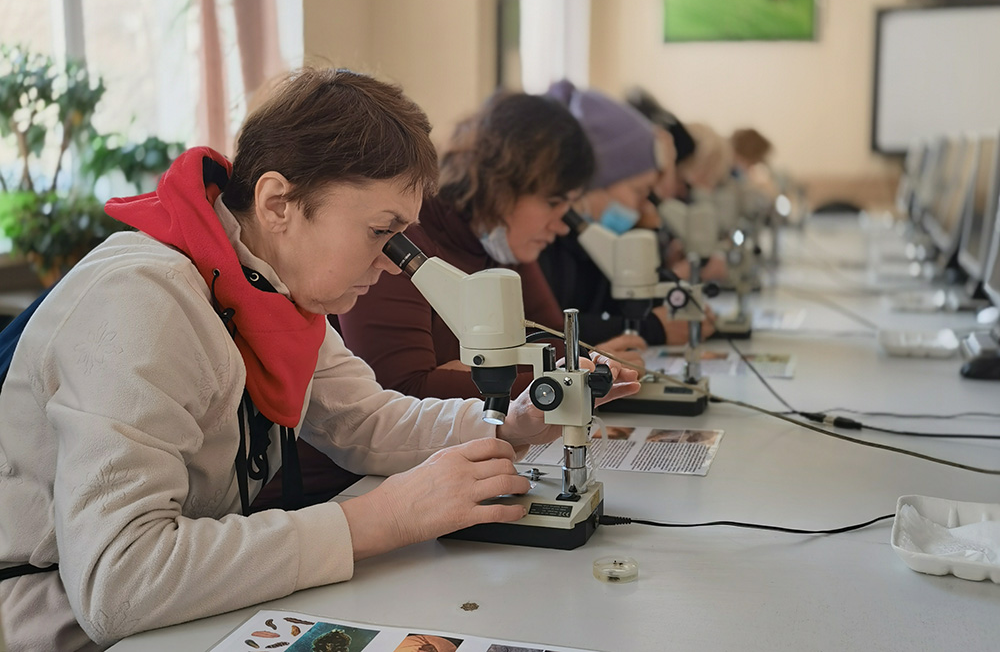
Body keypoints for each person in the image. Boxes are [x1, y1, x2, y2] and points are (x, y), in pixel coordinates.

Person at [0, 68, 639, 651]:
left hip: (180, 619)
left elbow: (366, 422)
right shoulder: (142, 301)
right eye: (379, 230)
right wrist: (382, 518)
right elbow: (119, 582)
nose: (393, 260)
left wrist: (512, 425)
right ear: (280, 203)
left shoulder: (264, 287)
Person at [338, 91, 646, 402]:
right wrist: (563, 382)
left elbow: (554, 346)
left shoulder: (501, 241)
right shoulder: (401, 243)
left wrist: (593, 365)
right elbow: (404, 392)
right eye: (553, 203)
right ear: (501, 185)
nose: (562, 224)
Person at [538, 80, 715, 344]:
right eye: (640, 191)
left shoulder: (590, 241)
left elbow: (621, 305)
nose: (646, 206)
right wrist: (652, 328)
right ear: (592, 183)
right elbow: (544, 331)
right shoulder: (543, 241)